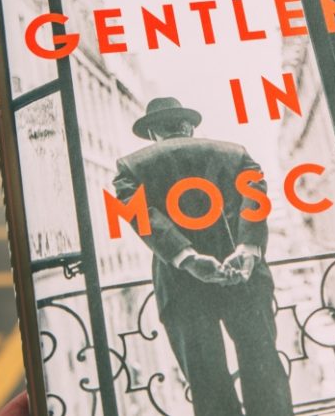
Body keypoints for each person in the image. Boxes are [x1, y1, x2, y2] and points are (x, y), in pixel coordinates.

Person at [112, 97, 294, 416]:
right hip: (244, 276)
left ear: (153, 132)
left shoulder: (130, 167)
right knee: (262, 363)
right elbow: (255, 200)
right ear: (189, 127)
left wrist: (188, 257)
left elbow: (140, 213)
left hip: (182, 284)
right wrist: (247, 250)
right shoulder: (236, 154)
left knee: (206, 380)